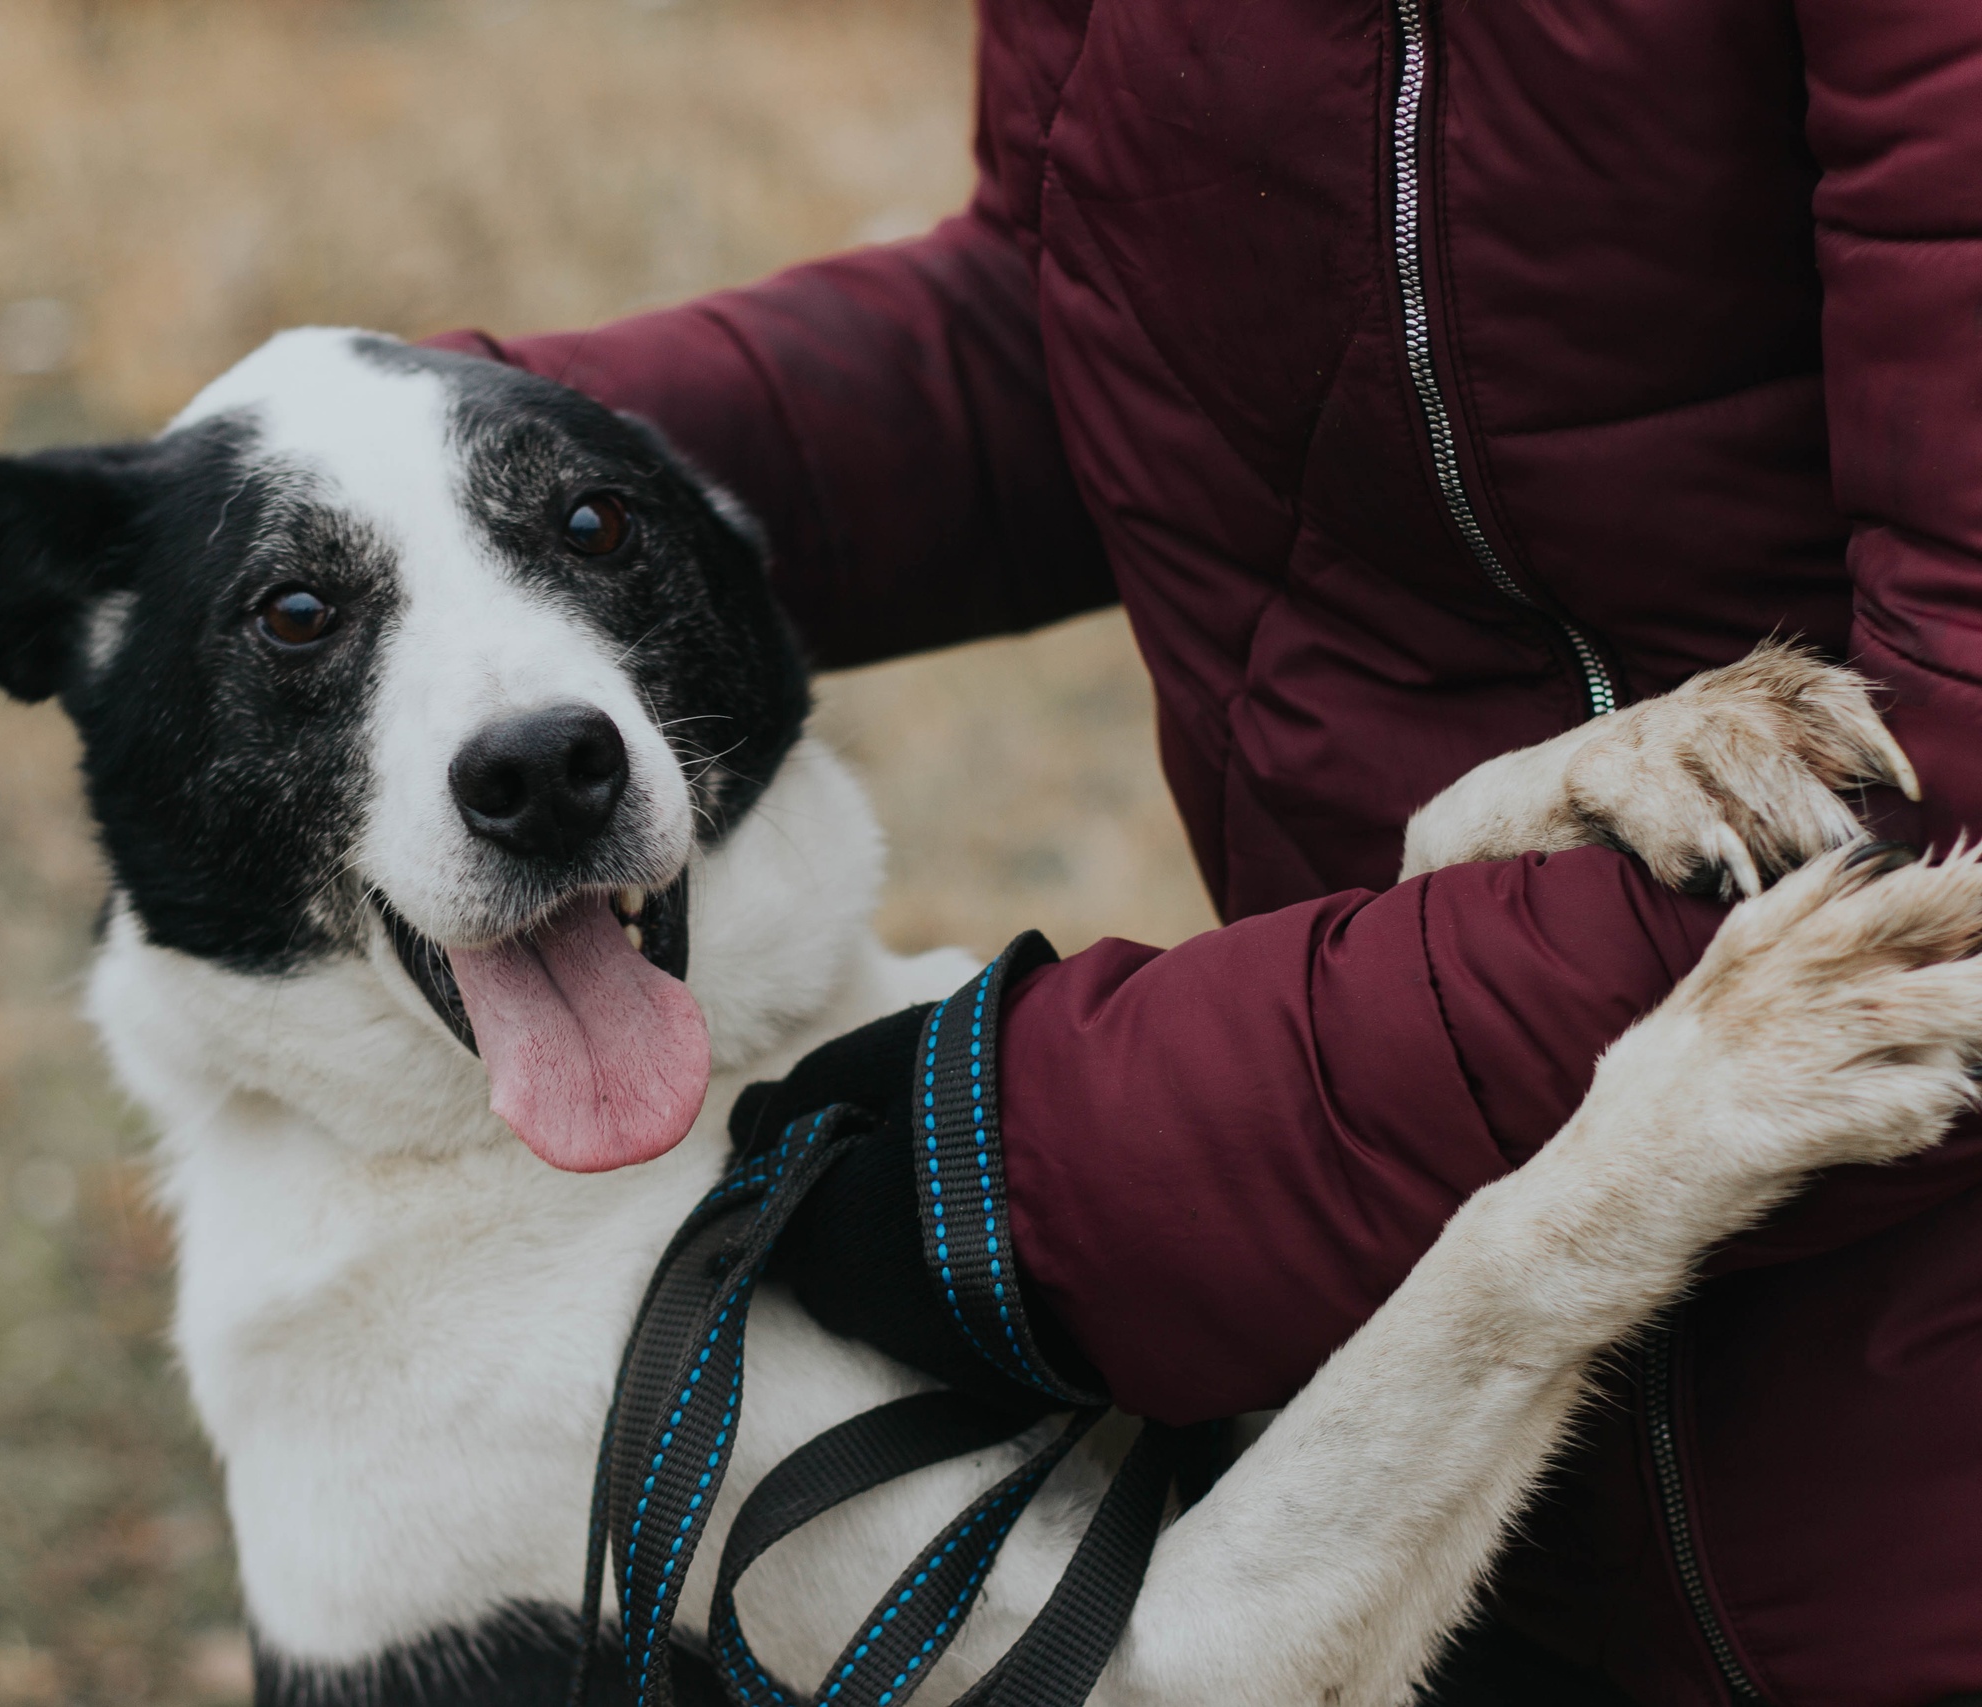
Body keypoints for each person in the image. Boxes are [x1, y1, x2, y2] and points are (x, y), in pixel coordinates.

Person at [427, 4, 1982, 1703]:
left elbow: (1945, 804)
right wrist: (393, 467)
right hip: (1437, 1441)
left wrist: (1026, 1167)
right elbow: (1088, 331)